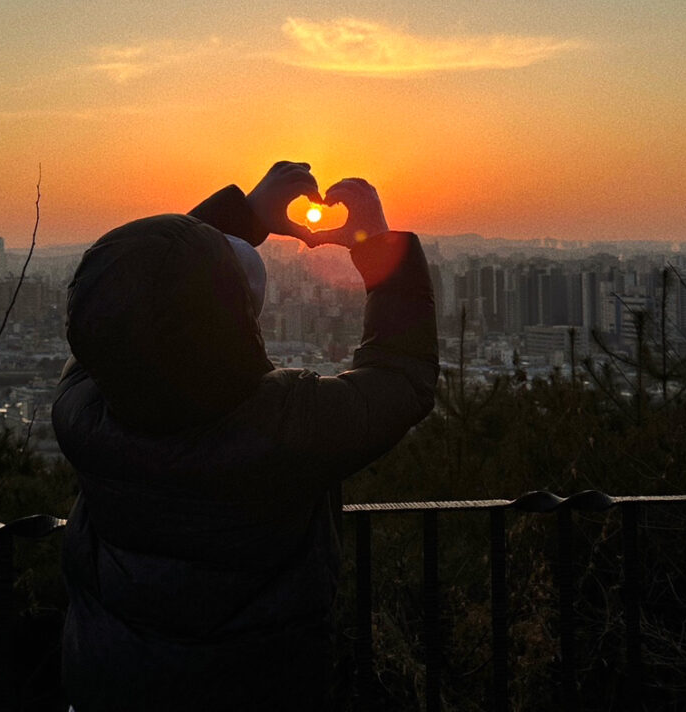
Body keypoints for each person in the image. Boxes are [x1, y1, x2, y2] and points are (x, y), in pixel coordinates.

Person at [53, 160, 439, 711]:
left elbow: (127, 313)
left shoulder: (82, 414)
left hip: (106, 686)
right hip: (258, 690)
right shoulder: (288, 426)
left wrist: (240, 214)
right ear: (239, 324)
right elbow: (402, 375)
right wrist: (378, 244)